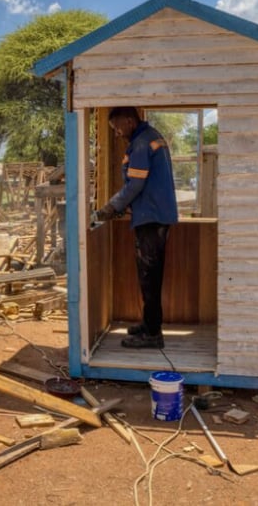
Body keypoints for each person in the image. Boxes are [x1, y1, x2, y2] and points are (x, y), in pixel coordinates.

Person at [94, 106, 178, 349]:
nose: (117, 133)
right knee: (150, 275)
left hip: (151, 218)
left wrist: (111, 207)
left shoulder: (142, 143)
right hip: (155, 214)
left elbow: (135, 184)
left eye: (117, 127)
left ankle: (152, 334)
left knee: (149, 276)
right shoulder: (150, 137)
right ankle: (149, 324)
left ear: (129, 121)